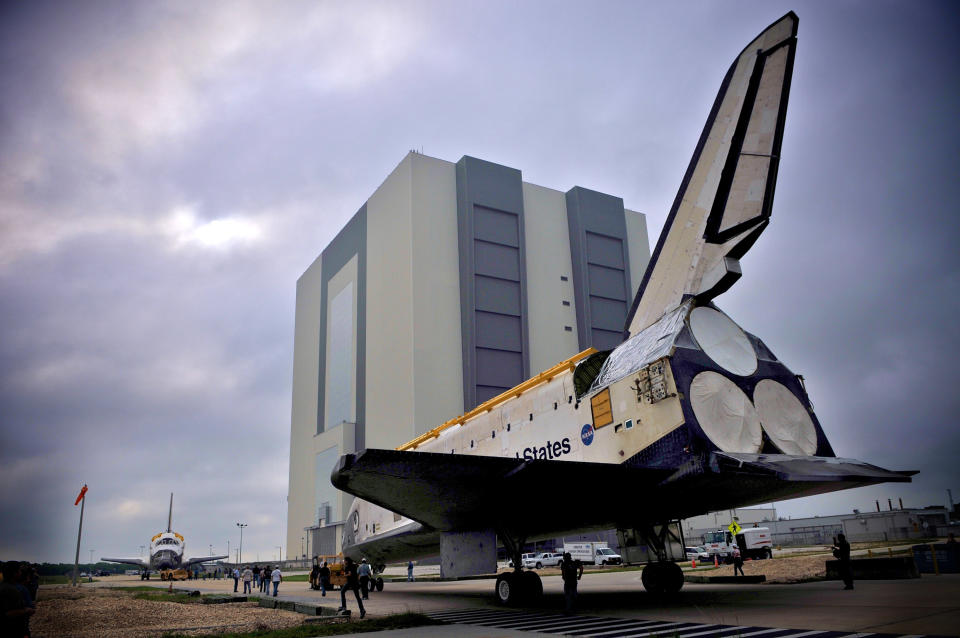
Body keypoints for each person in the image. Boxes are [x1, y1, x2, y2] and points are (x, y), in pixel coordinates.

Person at [1, 561, 34, 638]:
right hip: (14, 629)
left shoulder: (4, 586)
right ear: (14, 573)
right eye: (19, 571)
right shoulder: (11, 590)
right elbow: (9, 613)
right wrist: (27, 610)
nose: (21, 573)